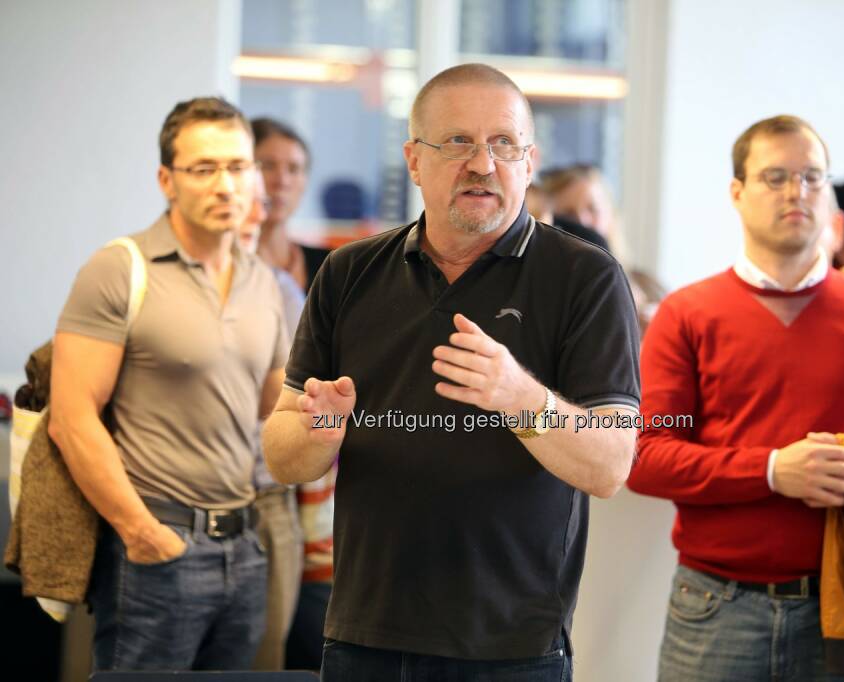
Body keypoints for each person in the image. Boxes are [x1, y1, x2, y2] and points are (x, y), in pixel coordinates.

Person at [262, 62, 640, 681]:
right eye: (458, 141)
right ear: (414, 160)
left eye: (504, 143)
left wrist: (519, 397)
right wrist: (318, 429)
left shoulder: (585, 277)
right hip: (364, 635)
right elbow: (282, 456)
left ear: (529, 161)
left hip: (513, 645)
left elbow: (610, 465)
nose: (482, 163)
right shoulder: (349, 271)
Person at [627, 114, 844, 682]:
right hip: (714, 608)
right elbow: (645, 457)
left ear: (829, 195)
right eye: (775, 177)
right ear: (737, 192)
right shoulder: (686, 315)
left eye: (811, 177)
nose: (795, 192)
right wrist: (775, 470)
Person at [48, 97, 289, 670]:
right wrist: (140, 532)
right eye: (203, 168)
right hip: (157, 546)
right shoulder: (120, 268)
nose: (225, 185)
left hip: (244, 546)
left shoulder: (264, 282)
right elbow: (72, 419)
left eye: (238, 167)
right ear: (166, 180)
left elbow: (274, 408)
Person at [238, 174, 305, 672]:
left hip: (268, 500)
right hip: (174, 503)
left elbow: (290, 397)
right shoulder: (147, 281)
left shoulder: (279, 290)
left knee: (263, 663)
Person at [252, 117, 330, 293]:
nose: (282, 181)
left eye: (294, 169)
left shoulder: (332, 266)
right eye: (268, 166)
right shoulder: (220, 266)